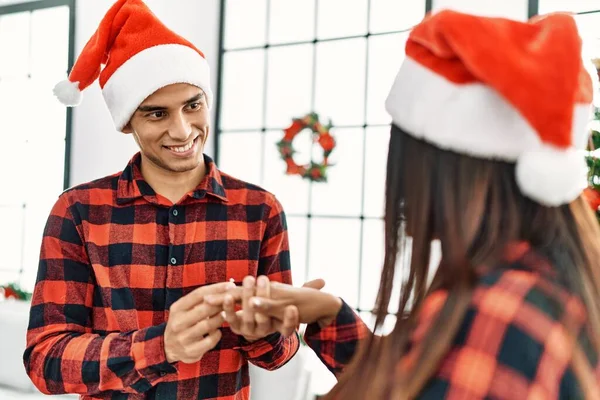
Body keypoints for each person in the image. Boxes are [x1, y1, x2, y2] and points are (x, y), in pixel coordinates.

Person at [207, 10, 600, 399]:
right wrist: (327, 312)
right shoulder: (544, 280)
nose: (396, 187)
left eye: (403, 163)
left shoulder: (501, 312)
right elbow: (419, 375)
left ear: (450, 172)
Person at [23, 1, 298, 399]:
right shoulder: (79, 212)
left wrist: (263, 333)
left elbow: (282, 352)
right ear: (127, 122)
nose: (183, 130)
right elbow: (45, 361)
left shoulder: (260, 210)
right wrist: (160, 347)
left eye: (193, 105)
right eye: (157, 114)